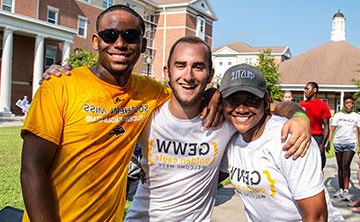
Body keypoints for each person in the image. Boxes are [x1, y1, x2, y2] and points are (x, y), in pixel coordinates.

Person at [44, 37, 311, 221]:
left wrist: (300, 116)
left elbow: (269, 106)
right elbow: (100, 92)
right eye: (180, 65)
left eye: (198, 67)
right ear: (167, 71)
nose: (188, 75)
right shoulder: (145, 110)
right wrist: (65, 75)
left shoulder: (226, 117)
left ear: (210, 73)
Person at [20, 5, 174, 222]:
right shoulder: (59, 86)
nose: (119, 44)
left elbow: (187, 97)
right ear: (95, 41)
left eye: (131, 36)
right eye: (109, 35)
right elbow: (32, 169)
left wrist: (213, 95)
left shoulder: (150, 91)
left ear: (143, 45)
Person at [219, 64, 344, 222]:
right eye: (232, 100)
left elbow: (317, 217)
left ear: (266, 102)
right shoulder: (231, 137)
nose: (241, 108)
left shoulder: (289, 139)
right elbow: (211, 177)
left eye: (251, 100)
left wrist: (299, 116)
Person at [327, 95, 360, 201]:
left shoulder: (356, 116)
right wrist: (329, 143)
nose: (349, 105)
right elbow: (332, 130)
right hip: (338, 143)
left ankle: (346, 190)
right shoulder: (337, 115)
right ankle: (340, 189)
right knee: (340, 166)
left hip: (350, 143)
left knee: (346, 165)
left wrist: (359, 146)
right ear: (344, 104)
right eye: (347, 103)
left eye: (351, 103)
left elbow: (359, 132)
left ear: (353, 104)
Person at [300, 82, 331, 169]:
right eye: (304, 88)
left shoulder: (323, 105)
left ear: (314, 90)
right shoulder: (301, 105)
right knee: (304, 165)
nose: (305, 91)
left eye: (307, 88)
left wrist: (322, 144)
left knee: (319, 166)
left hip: (317, 138)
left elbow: (326, 127)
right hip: (304, 138)